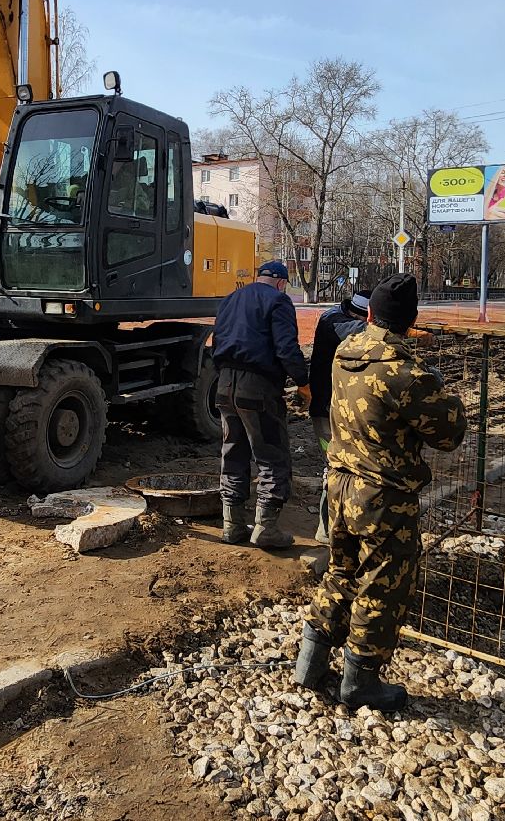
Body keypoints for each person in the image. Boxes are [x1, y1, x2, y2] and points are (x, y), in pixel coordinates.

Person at [293, 273, 466, 711]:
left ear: (368, 313)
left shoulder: (345, 352)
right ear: (410, 322)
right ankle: (360, 684)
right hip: (383, 498)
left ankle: (308, 665)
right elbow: (449, 435)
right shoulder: (406, 373)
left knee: (340, 571)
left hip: (339, 484)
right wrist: (439, 389)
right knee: (382, 588)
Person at [211, 259, 310, 549]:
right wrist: (303, 383)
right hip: (258, 387)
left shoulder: (231, 298)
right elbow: (287, 348)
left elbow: (217, 342)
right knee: (271, 455)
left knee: (233, 452)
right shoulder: (279, 301)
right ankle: (266, 528)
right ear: (281, 282)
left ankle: (232, 526)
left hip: (224, 385)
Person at [307, 288, 373, 543]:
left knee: (341, 468)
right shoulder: (333, 320)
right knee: (335, 466)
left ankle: (336, 528)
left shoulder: (340, 317)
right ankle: (328, 531)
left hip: (340, 410)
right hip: (326, 412)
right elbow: (357, 331)